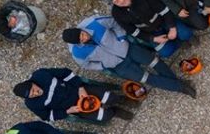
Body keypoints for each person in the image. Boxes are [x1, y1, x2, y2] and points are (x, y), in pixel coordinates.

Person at [62, 17, 195, 96]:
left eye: (82, 33)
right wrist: (103, 65)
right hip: (119, 66)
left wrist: (121, 38)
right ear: (77, 43)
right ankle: (181, 87)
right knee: (148, 78)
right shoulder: (76, 53)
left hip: (128, 48)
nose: (85, 37)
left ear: (80, 29)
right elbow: (86, 65)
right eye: (81, 39)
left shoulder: (93, 22)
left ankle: (176, 83)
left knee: (155, 62)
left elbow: (114, 22)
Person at [13, 67, 133, 123]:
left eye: (33, 89)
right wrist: (68, 111)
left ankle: (121, 100)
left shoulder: (41, 74)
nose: (35, 93)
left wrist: (80, 87)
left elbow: (66, 73)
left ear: (32, 83)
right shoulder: (32, 104)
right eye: (32, 95)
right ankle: (115, 111)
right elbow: (48, 116)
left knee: (110, 97)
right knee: (104, 117)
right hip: (77, 107)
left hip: (80, 90)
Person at [106, 0, 193, 58]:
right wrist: (153, 39)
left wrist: (172, 27)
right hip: (151, 32)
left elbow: (164, 10)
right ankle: (178, 42)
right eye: (116, 1)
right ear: (114, 4)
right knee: (166, 53)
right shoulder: (116, 13)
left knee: (186, 34)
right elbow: (133, 31)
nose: (121, 1)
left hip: (163, 21)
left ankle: (178, 35)